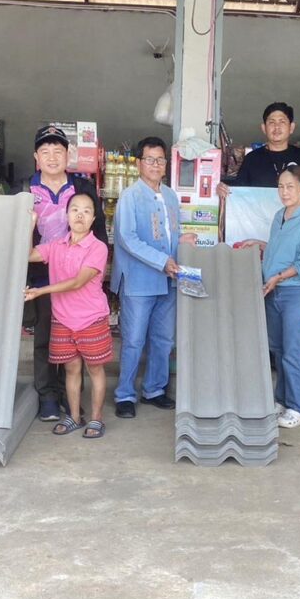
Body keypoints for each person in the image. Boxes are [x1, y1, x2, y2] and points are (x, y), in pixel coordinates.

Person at [25, 125, 107, 423]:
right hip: (42, 274)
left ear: (68, 155)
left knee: (75, 344)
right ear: (36, 157)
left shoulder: (81, 187)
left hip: (79, 277)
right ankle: (47, 396)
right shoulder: (26, 189)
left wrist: (98, 272)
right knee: (46, 339)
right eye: (45, 151)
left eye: (58, 151)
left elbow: (98, 228)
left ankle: (68, 397)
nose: (52, 157)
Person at [111, 137, 194, 419]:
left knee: (163, 339)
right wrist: (162, 261)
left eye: (160, 160)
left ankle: (154, 389)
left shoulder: (170, 196)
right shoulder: (130, 196)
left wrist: (183, 241)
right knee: (134, 340)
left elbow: (168, 236)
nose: (156, 165)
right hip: (139, 280)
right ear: (139, 164)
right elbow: (127, 238)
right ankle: (125, 394)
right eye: (150, 159)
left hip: (167, 280)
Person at [242, 167, 300, 428]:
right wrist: (260, 244)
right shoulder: (280, 215)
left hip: (296, 292)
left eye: (290, 186)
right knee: (278, 350)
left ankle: (297, 407)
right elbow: (281, 250)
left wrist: (278, 277)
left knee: (292, 351)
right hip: (274, 291)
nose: (284, 192)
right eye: (280, 186)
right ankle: (281, 400)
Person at [25, 193, 112, 439]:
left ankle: (96, 419)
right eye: (75, 210)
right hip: (63, 319)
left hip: (91, 318)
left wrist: (40, 291)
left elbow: (77, 282)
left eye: (86, 211)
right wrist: (31, 225)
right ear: (67, 215)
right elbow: (28, 254)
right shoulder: (56, 245)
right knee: (72, 369)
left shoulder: (98, 247)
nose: (80, 215)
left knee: (95, 369)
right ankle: (74, 417)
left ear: (93, 218)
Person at [217, 102, 300, 198]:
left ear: (291, 127)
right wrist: (223, 190)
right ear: (264, 128)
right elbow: (239, 194)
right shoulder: (252, 159)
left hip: (296, 215)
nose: (277, 127)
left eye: (282, 122)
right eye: (271, 122)